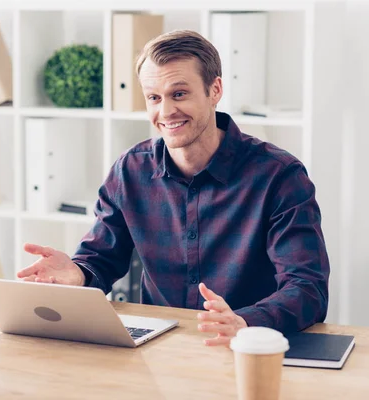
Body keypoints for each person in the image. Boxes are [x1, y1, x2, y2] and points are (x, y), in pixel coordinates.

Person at [17, 30, 330, 346]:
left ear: (215, 90)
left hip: (247, 347)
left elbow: (307, 288)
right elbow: (101, 258)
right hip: (158, 348)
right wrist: (79, 274)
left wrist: (246, 321)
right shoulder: (131, 170)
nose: (165, 112)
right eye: (154, 98)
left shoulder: (278, 175)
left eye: (179, 94)